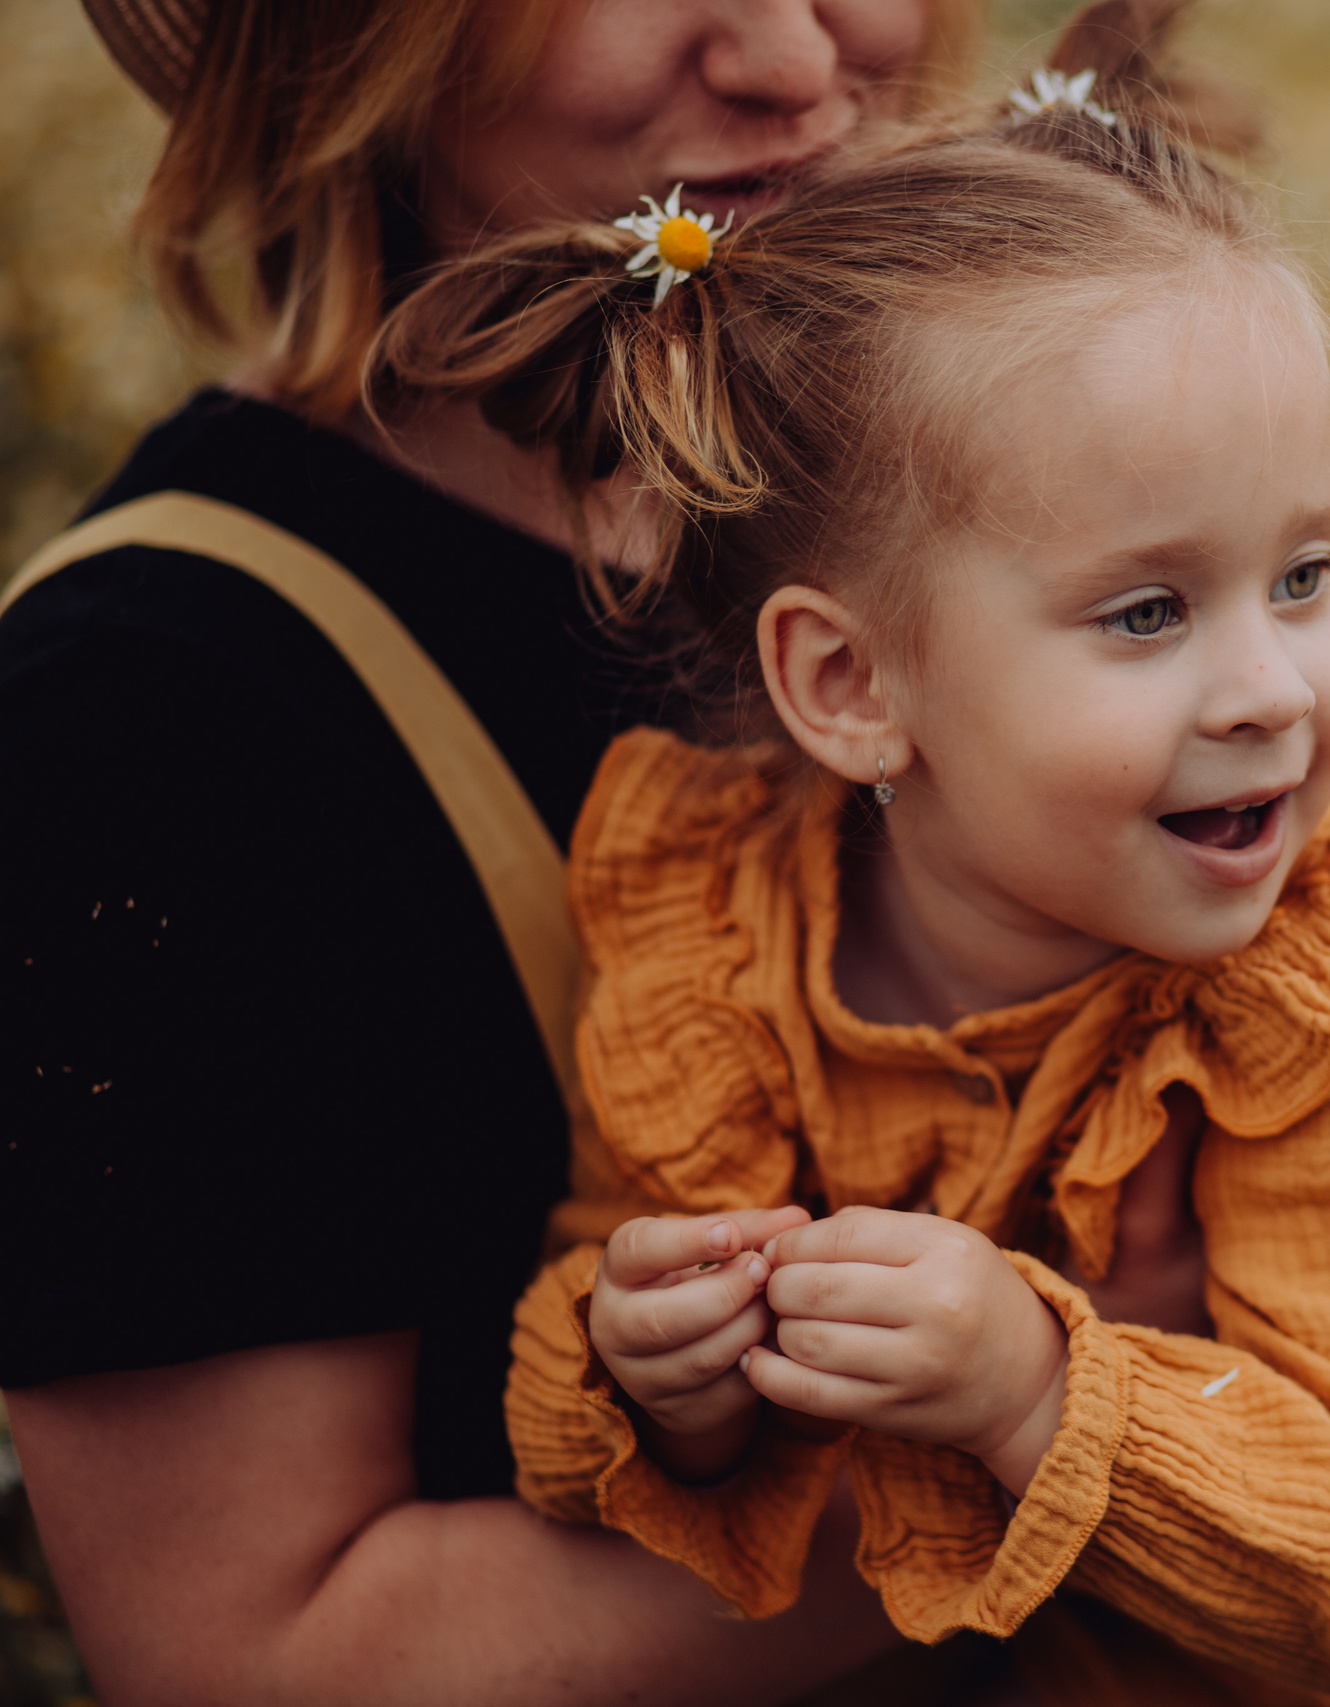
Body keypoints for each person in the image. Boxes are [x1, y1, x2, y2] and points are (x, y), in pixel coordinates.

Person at [374, 5, 1330, 1700]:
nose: (1273, 688)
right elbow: (625, 1268)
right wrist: (669, 1385)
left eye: (1306, 576)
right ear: (848, 686)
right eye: (1149, 611)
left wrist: (1036, 1395)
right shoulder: (721, 925)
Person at [0, 2, 998, 1703]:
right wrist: (1113, 1418)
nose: (789, 56)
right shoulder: (153, 716)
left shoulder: (923, 463)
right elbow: (257, 1659)